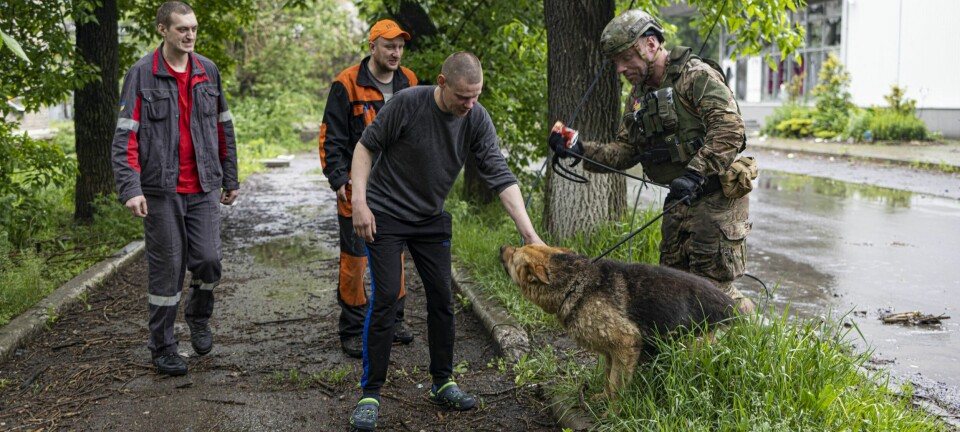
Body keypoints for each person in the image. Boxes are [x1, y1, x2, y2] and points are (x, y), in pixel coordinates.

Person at [347, 52, 544, 431]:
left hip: (430, 218)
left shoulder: (476, 117)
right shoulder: (407, 104)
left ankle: (442, 382)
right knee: (387, 296)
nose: (469, 105)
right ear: (441, 83)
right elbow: (364, 148)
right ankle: (370, 393)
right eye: (462, 97)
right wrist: (359, 203)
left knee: (442, 298)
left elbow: (499, 175)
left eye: (476, 96)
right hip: (385, 214)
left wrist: (529, 233)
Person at [550, 9, 755, 313]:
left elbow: (730, 130)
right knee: (674, 290)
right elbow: (624, 150)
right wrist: (579, 149)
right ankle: (685, 356)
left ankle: (743, 341)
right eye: (615, 62)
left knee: (713, 293)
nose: (620, 68)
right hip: (679, 202)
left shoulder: (695, 76)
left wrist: (696, 172)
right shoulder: (638, 98)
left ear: (650, 45)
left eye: (625, 58)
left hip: (716, 201)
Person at [111, 1, 238, 376]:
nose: (190, 35)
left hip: (203, 186)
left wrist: (230, 177)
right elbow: (125, 138)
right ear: (162, 30)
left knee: (209, 260)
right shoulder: (141, 75)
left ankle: (199, 317)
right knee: (167, 271)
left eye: (194, 28)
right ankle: (163, 346)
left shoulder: (207, 71)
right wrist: (130, 188)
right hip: (160, 190)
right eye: (182, 28)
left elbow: (223, 127)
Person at [319, 19, 418, 359]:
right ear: (372, 46)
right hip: (357, 188)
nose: (396, 52)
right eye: (389, 45)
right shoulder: (346, 83)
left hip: (398, 190)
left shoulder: (410, 81)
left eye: (400, 46)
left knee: (395, 256)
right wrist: (337, 179)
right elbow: (329, 137)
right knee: (355, 262)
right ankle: (352, 329)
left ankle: (394, 321)